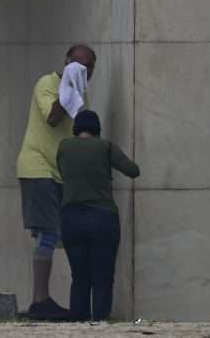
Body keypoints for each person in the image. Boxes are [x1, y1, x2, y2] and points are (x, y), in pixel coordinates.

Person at [15, 44, 96, 320]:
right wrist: (68, 87)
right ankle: (40, 300)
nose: (83, 72)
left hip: (61, 172)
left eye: (88, 68)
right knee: (48, 233)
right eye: (77, 65)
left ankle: (57, 298)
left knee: (63, 235)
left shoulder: (80, 93)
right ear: (66, 63)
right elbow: (52, 118)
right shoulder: (48, 84)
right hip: (38, 169)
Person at [57, 109, 139, 321]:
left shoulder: (64, 147)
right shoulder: (105, 146)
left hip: (71, 218)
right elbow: (132, 170)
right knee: (102, 277)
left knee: (79, 277)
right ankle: (100, 323)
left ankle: (78, 323)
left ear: (76, 129)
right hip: (103, 218)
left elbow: (62, 172)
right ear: (97, 129)